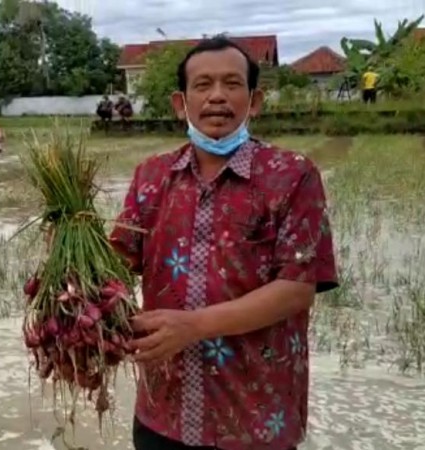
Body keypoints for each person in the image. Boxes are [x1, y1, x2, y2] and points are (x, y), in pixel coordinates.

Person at [108, 36, 338, 450]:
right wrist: (70, 251)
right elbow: (117, 261)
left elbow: (298, 287)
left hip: (256, 415)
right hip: (163, 412)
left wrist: (193, 326)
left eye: (232, 84)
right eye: (203, 85)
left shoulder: (292, 175)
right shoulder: (152, 176)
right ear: (181, 104)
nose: (217, 96)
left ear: (255, 101)